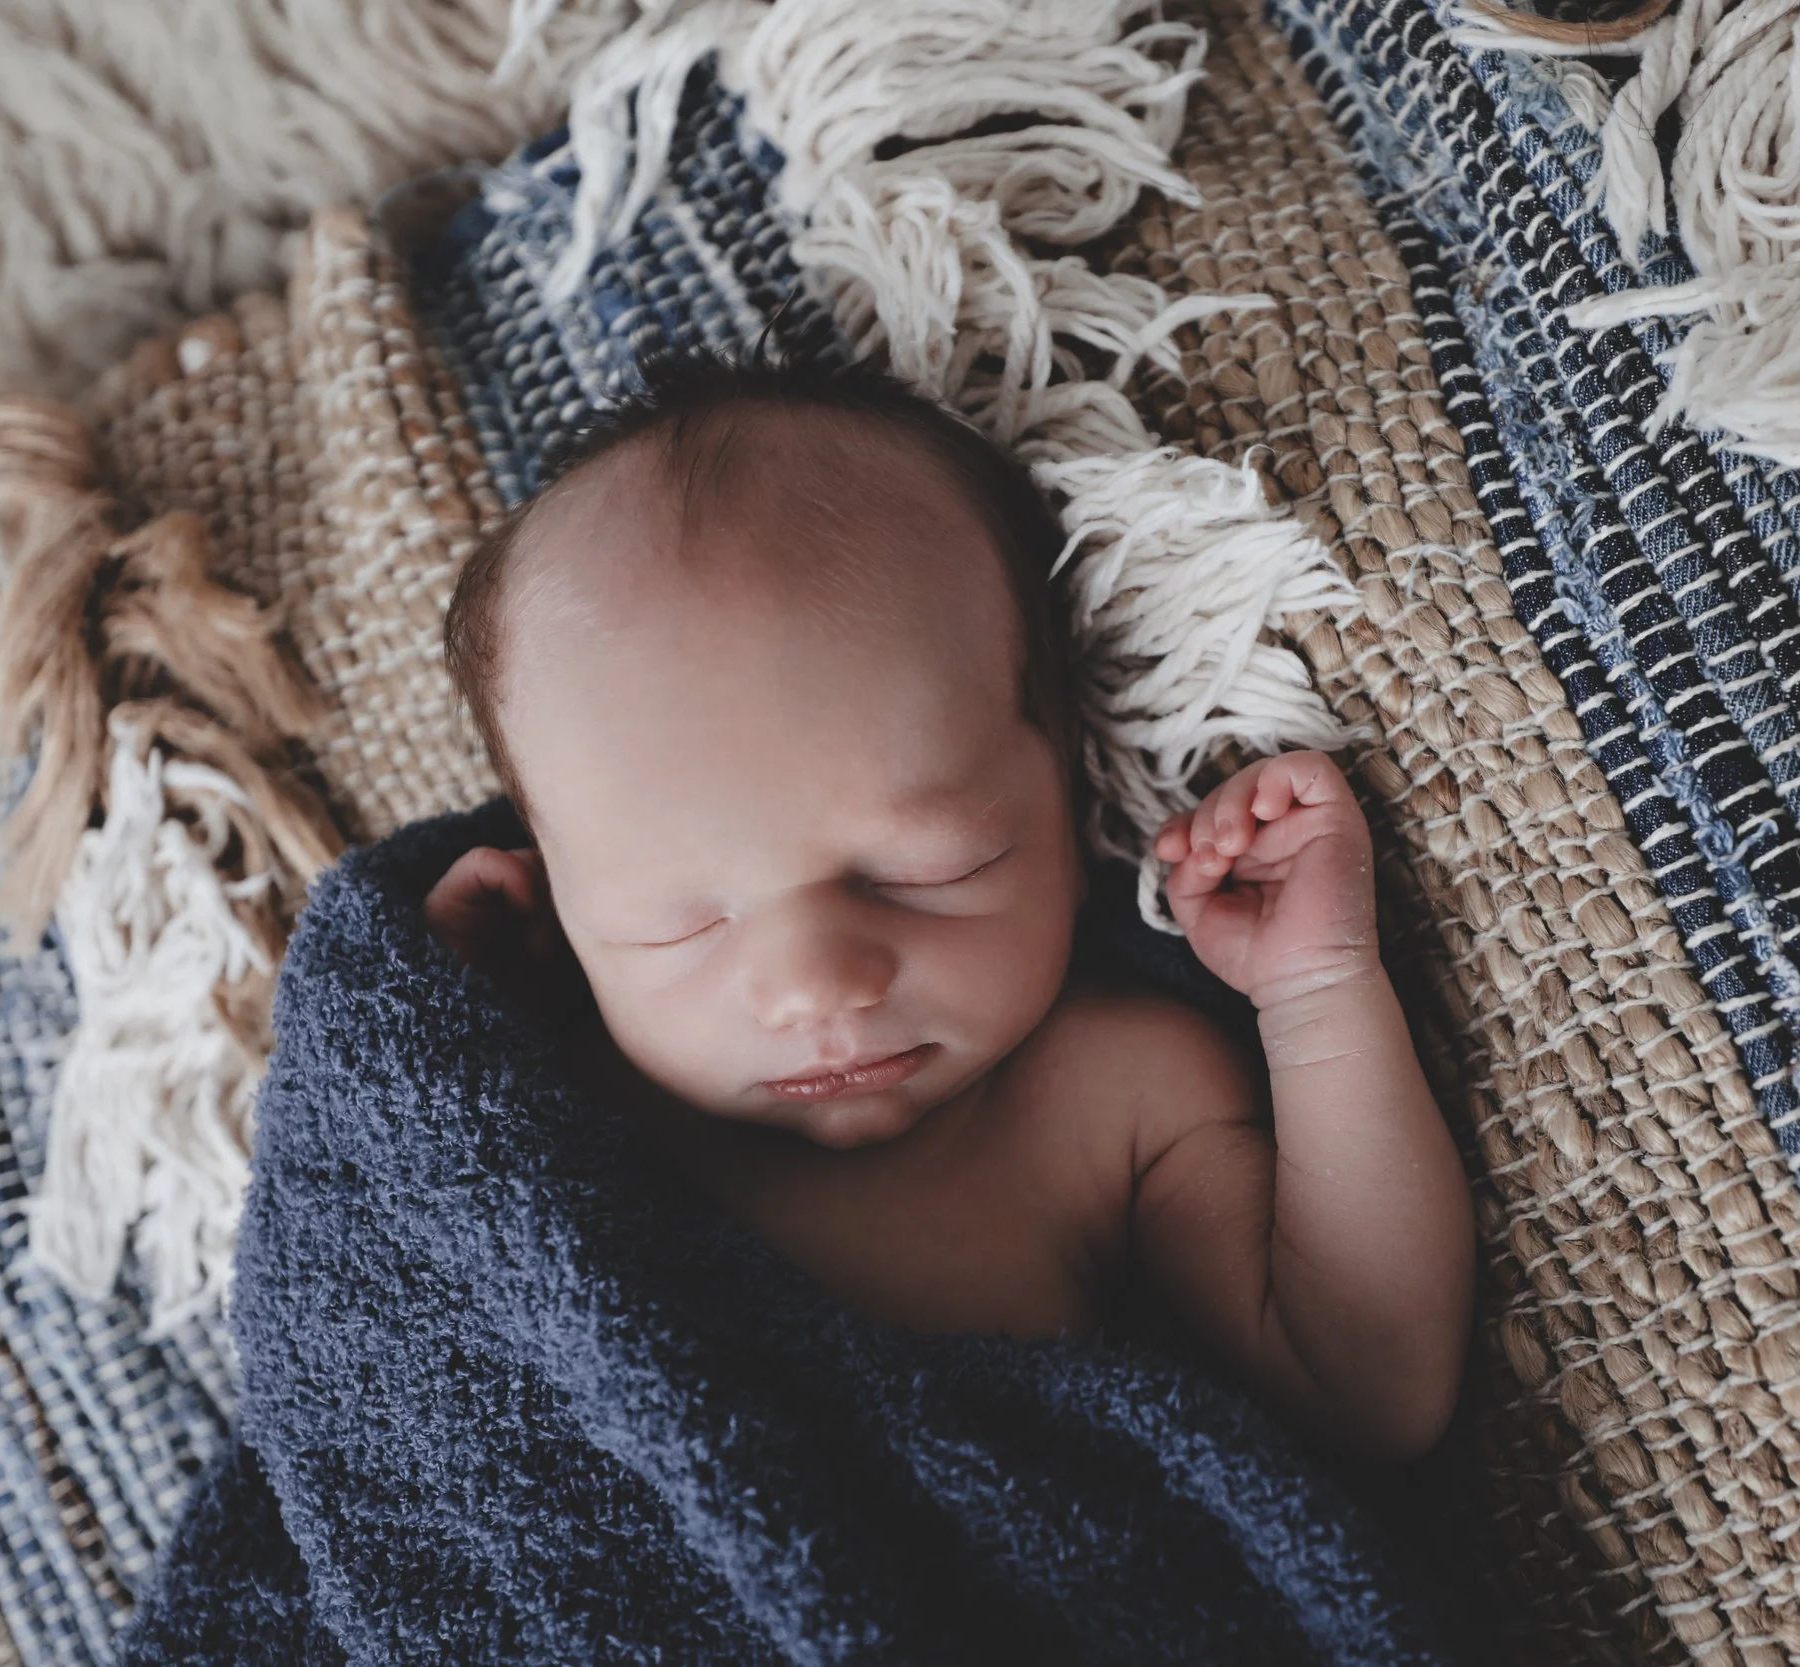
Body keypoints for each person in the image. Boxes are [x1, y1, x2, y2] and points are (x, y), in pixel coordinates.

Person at [422, 354, 1473, 1461]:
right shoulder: (549, 1104)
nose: (816, 982)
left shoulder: (1112, 1100)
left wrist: (1314, 988)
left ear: (1068, 800)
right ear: (558, 910)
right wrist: (449, 1045)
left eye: (923, 868)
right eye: (674, 920)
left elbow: (1370, 1384)